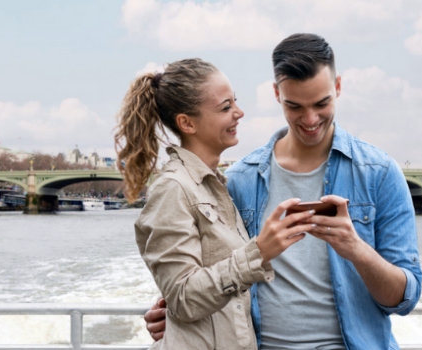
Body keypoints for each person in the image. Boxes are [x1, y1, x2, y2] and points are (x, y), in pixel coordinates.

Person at [144, 35, 422, 349]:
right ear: (277, 94)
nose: (310, 119)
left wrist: (356, 249)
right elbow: (218, 274)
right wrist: (178, 310)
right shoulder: (239, 180)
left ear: (339, 87)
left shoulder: (381, 174)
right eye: (295, 106)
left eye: (322, 103)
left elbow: (404, 300)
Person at [115, 58, 318, 350]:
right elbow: (183, 297)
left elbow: (191, 290)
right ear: (187, 123)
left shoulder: (216, 185)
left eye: (235, 101)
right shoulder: (173, 187)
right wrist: (259, 252)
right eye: (225, 107)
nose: (239, 112)